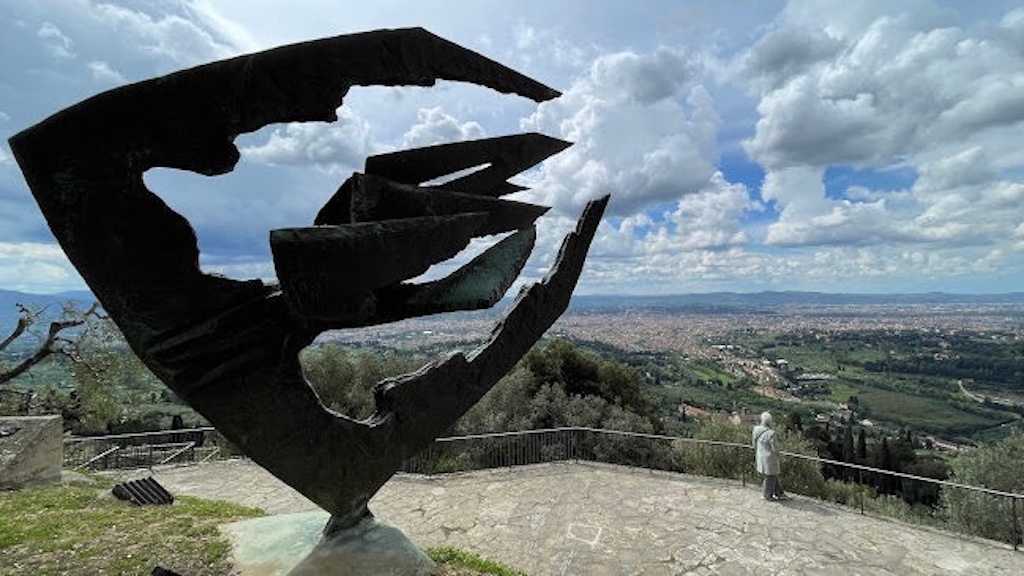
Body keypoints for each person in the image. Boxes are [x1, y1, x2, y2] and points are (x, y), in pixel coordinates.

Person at [753, 411, 788, 501]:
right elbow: (775, 448)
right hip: (770, 458)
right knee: (770, 476)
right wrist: (779, 454)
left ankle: (779, 493)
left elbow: (754, 443)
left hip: (760, 455)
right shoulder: (771, 433)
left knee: (772, 475)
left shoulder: (756, 429)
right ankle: (767, 495)